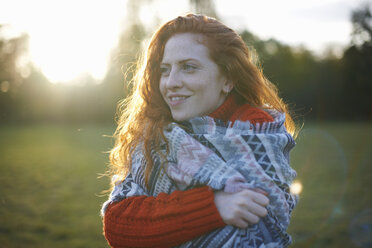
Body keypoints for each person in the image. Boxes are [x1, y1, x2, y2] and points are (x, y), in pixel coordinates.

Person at [101, 14, 298, 248]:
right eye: (165, 69)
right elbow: (117, 224)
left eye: (188, 67)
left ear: (228, 79)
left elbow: (256, 227)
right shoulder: (154, 137)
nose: (170, 82)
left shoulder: (259, 134)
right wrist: (212, 206)